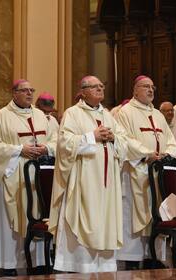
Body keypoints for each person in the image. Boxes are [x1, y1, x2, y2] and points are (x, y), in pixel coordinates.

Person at [48, 76, 127, 273]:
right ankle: (79, 264)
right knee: (84, 216)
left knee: (105, 219)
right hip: (84, 180)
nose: (100, 89)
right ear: (83, 91)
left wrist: (114, 138)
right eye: (95, 86)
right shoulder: (72, 114)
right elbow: (64, 144)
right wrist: (93, 136)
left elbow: (125, 143)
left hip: (107, 181)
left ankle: (104, 266)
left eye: (102, 85)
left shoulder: (108, 115)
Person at [0, 79, 57, 275]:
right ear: (13, 93)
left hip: (39, 175)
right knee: (8, 218)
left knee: (38, 214)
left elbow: (56, 140)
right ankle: (6, 263)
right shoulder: (1, 117)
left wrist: (46, 148)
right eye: (24, 90)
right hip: (11, 174)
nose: (29, 94)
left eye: (31, 90)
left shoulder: (41, 115)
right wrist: (19, 150)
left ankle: (38, 261)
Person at [116, 75, 176, 269]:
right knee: (132, 214)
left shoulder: (158, 115)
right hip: (136, 171)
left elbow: (171, 140)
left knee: (157, 212)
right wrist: (146, 154)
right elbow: (123, 139)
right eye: (145, 87)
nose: (150, 90)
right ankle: (132, 259)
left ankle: (154, 257)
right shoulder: (125, 112)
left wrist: (167, 155)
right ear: (135, 90)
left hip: (158, 172)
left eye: (152, 87)